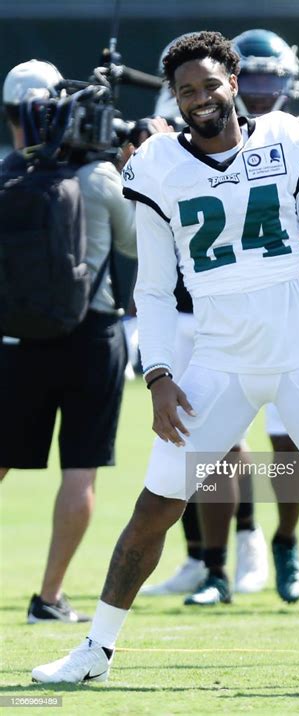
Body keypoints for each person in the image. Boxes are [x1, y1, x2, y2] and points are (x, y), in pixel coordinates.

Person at [32, 31, 299, 686]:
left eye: (210, 85)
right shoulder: (154, 165)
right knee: (156, 505)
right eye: (186, 91)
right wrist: (158, 376)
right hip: (216, 359)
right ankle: (95, 649)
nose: (200, 99)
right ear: (174, 100)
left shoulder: (289, 140)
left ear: (234, 84)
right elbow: (149, 287)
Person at [142, 28, 299, 605]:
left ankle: (282, 538)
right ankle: (220, 556)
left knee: (289, 447)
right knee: (218, 444)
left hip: (292, 309)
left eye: (269, 79)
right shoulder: (180, 127)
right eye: (252, 78)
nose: (259, 93)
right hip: (208, 312)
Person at [0, 59, 137, 623]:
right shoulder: (101, 180)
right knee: (80, 469)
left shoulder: (7, 176)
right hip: (92, 337)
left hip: (18, 339)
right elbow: (137, 243)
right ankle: (49, 598)